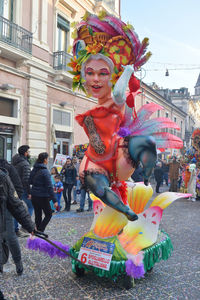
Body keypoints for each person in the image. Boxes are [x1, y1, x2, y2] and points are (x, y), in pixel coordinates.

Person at [70, 13, 181, 221]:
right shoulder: (100, 105)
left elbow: (120, 94)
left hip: (117, 145)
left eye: (102, 74)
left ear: (110, 75)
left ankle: (146, 176)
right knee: (95, 183)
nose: (95, 79)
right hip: (98, 156)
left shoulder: (115, 99)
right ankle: (125, 209)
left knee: (144, 143)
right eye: (90, 73)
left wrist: (128, 71)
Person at [0, 168, 35, 276]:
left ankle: (18, 264)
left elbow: (15, 203)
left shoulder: (2, 177)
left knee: (10, 237)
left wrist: (30, 226)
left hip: (6, 212)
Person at [0, 159, 26, 274]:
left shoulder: (8, 169)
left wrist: (11, 203)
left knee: (10, 236)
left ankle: (18, 263)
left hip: (7, 207)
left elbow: (18, 188)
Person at [29, 152, 58, 232]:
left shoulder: (34, 169)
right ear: (45, 160)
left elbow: (30, 181)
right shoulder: (45, 171)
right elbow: (49, 187)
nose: (48, 160)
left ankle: (37, 231)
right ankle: (40, 231)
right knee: (48, 214)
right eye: (47, 159)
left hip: (34, 195)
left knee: (38, 215)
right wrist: (55, 200)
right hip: (42, 196)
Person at [12, 145, 33, 235]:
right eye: (28, 152)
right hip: (22, 189)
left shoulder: (15, 161)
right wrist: (29, 192)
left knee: (16, 208)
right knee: (31, 206)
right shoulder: (25, 163)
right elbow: (26, 180)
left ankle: (15, 229)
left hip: (13, 187)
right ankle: (25, 226)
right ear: (25, 153)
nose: (29, 153)